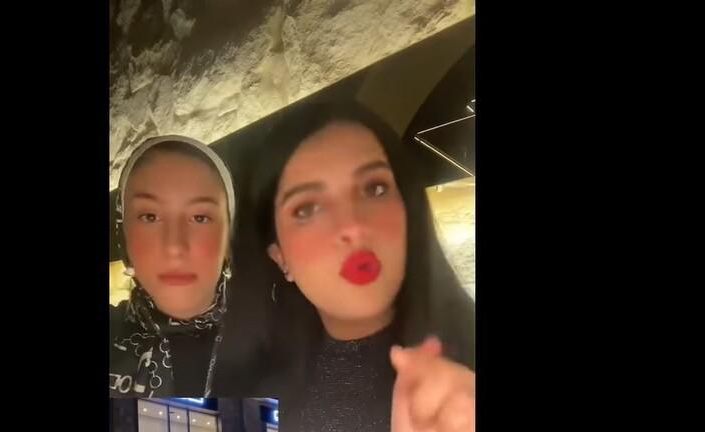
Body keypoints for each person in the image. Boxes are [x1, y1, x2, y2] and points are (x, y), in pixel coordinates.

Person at [250, 102, 476, 431]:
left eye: (375, 189)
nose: (353, 226)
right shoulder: (265, 396)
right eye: (307, 209)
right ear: (280, 258)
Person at [109, 135, 236, 397]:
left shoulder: (287, 346)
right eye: (150, 216)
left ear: (227, 239)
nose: (175, 246)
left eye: (200, 217)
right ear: (124, 236)